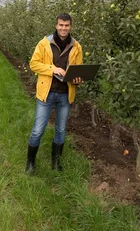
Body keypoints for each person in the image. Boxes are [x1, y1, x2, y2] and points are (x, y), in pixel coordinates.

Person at [26, 13, 83, 174]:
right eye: (61, 25)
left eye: (67, 26)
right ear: (56, 25)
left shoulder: (76, 46)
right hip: (47, 93)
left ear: (70, 26)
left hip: (65, 94)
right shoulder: (44, 43)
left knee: (61, 129)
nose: (63, 28)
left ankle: (56, 163)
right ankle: (30, 163)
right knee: (38, 129)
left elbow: (78, 68)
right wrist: (52, 69)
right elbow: (33, 64)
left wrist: (77, 79)